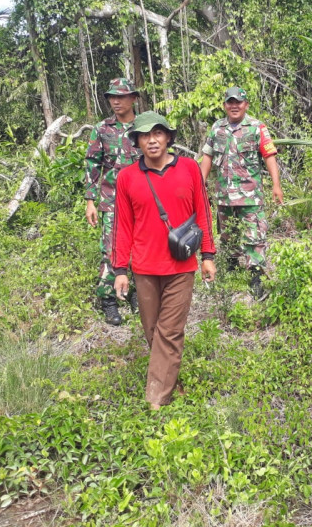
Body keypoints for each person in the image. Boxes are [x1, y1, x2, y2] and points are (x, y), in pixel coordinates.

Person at [111, 111, 216, 410]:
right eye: (145, 135)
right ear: (138, 141)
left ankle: (155, 400)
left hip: (181, 266)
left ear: (168, 137)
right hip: (144, 268)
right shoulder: (127, 177)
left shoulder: (190, 169)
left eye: (157, 133)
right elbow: (122, 227)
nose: (152, 140)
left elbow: (203, 213)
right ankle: (171, 381)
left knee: (169, 332)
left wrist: (208, 255)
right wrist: (120, 269)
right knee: (153, 331)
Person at [200, 86, 283, 299]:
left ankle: (256, 277)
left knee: (254, 236)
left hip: (250, 195)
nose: (234, 105)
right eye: (230, 102)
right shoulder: (217, 128)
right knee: (228, 236)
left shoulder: (256, 128)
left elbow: (269, 155)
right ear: (225, 105)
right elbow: (207, 157)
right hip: (224, 196)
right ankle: (231, 271)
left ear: (245, 104)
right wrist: (199, 185)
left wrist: (276, 185)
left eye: (238, 102)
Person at [84, 78, 141, 326]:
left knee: (141, 249)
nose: (116, 101)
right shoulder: (102, 129)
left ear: (133, 98)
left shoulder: (145, 126)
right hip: (112, 201)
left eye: (121, 96)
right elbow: (91, 164)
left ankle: (137, 294)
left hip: (142, 201)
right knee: (111, 251)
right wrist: (90, 200)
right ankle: (108, 300)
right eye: (112, 97)